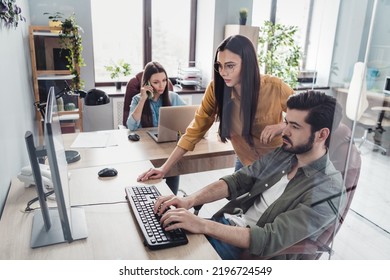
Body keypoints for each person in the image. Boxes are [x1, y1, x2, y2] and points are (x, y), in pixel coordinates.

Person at [153, 90, 345, 260]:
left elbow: (269, 239)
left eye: (295, 126)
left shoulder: (329, 189)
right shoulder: (286, 153)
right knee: (158, 239)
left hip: (247, 254)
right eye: (286, 122)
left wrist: (203, 225)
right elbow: (239, 180)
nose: (284, 131)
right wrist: (189, 200)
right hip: (226, 225)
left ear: (321, 135)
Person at [137, 34, 294, 183]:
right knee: (236, 208)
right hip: (245, 161)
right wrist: (164, 168)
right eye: (219, 66)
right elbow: (195, 130)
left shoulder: (274, 87)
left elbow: (308, 114)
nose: (223, 72)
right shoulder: (216, 89)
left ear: (247, 63)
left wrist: (282, 126)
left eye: (230, 66)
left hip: (278, 162)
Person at [127, 61, 186, 194]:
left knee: (173, 164)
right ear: (147, 83)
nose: (162, 85)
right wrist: (143, 99)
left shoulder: (173, 97)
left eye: (164, 80)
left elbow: (189, 119)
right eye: (156, 82)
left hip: (168, 147)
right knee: (147, 184)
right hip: (145, 151)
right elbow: (131, 126)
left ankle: (171, 198)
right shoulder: (137, 99)